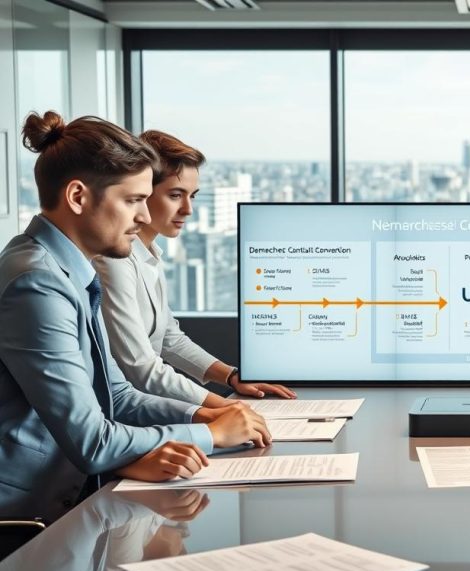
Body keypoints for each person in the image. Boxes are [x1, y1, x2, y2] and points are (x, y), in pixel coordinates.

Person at [0, 111, 270, 524]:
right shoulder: (37, 283)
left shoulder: (68, 270)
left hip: (69, 495)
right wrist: (212, 434)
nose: (144, 217)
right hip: (31, 516)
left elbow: (119, 394)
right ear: (78, 196)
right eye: (133, 201)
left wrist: (205, 414)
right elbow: (92, 440)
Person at [93, 130, 295, 406]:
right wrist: (226, 407)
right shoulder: (113, 261)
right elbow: (140, 368)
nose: (188, 209)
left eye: (193, 196)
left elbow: (168, 339)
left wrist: (232, 377)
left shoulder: (149, 253)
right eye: (176, 195)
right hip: (125, 415)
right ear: (142, 192)